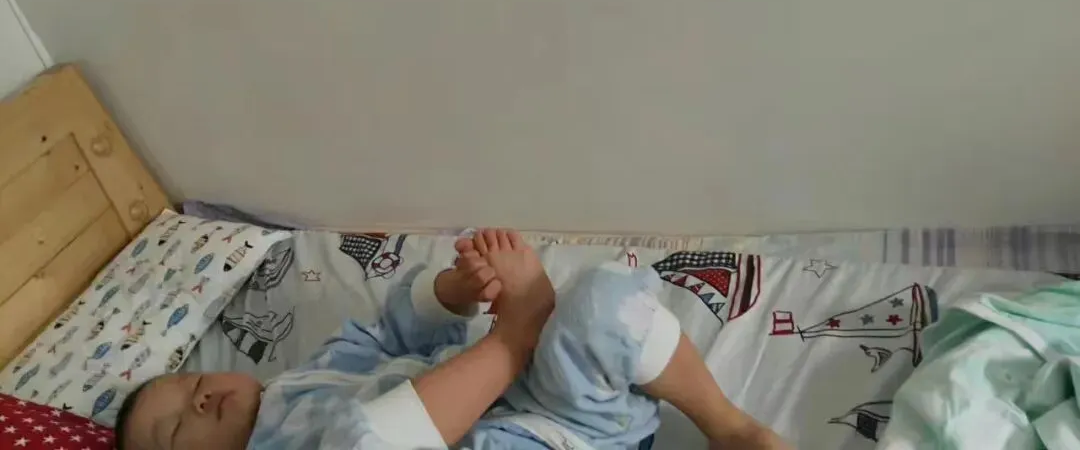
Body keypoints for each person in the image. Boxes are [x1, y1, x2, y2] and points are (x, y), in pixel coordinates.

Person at [117, 228, 789, 449]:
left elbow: (390, 333)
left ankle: (729, 426)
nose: (197, 398)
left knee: (601, 304)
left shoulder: (306, 374)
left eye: (189, 382)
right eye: (174, 431)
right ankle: (524, 331)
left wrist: (453, 291)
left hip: (572, 406)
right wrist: (514, 335)